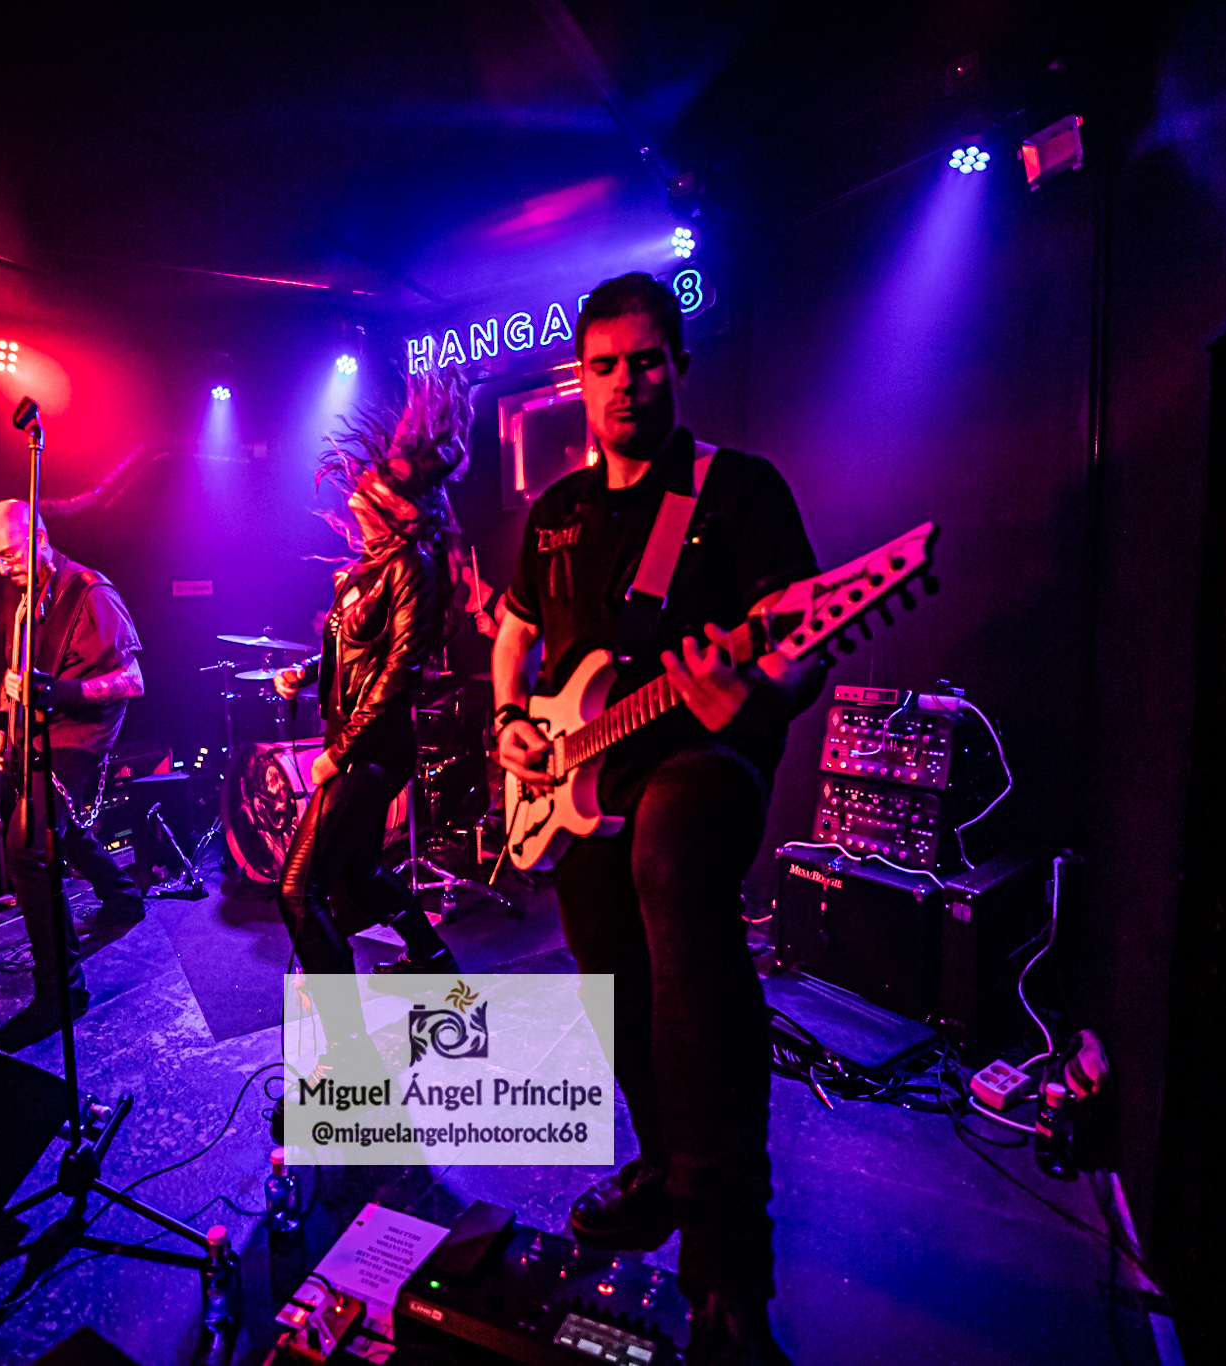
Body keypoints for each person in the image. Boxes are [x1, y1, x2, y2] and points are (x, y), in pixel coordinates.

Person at [491, 274, 826, 1366]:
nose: (626, 383)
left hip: (702, 755)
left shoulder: (736, 490)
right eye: (605, 366)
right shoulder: (554, 513)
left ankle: (728, 1268)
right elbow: (514, 631)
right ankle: (662, 1167)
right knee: (610, 976)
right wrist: (510, 719)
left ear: (678, 365)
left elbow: (801, 639)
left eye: (646, 361)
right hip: (581, 776)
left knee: (672, 870)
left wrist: (756, 690)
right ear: (579, 378)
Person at [270, 369, 469, 980]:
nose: (360, 484)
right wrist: (305, 672)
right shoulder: (365, 568)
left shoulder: (412, 567)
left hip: (374, 750)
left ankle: (344, 1031)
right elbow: (352, 651)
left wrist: (340, 752)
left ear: (396, 507)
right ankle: (433, 959)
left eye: (378, 481)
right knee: (361, 870)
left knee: (297, 890)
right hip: (355, 743)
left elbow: (399, 669)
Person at [0, 499, 147, 1052]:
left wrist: (61, 692)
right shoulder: (21, 595)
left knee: (26, 847)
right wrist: (2, 725)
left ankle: (60, 995)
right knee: (58, 833)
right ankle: (122, 896)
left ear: (40, 537)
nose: (3, 567)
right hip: (34, 734)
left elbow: (132, 680)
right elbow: (15, 675)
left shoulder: (91, 593)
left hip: (80, 736)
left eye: (9, 554)